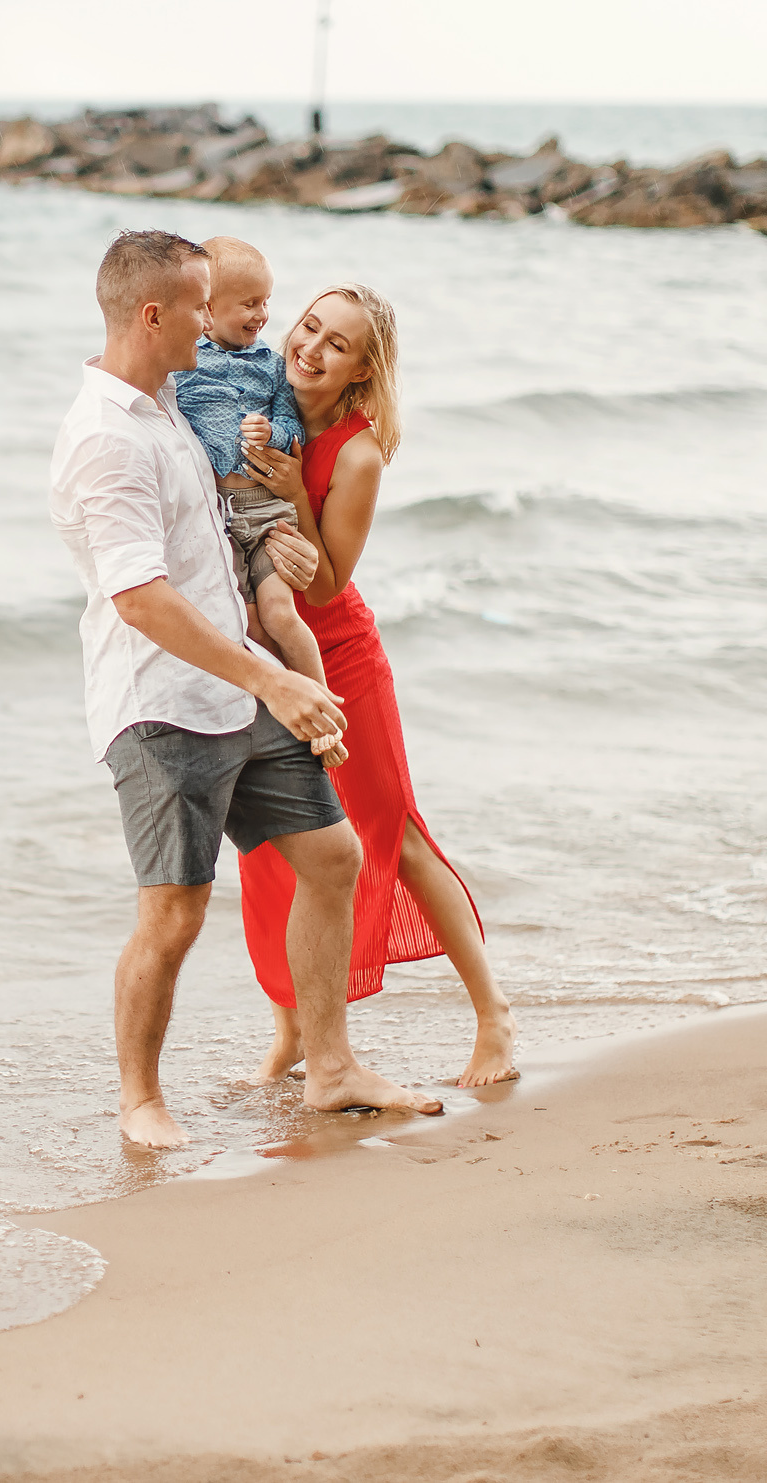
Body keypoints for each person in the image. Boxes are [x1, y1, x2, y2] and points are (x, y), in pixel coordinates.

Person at [49, 231, 443, 1148]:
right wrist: (278, 674)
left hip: (240, 685)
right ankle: (140, 1099)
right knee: (175, 910)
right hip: (163, 705)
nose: (224, 325)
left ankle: (330, 1066)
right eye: (201, 305)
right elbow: (142, 598)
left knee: (333, 858)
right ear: (157, 314)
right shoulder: (106, 437)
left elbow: (231, 519)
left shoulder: (171, 404)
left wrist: (288, 552)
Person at [234, 283, 519, 1091]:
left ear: (363, 371)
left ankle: (494, 1015)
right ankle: (292, 1029)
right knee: (271, 846)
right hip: (262, 657)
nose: (311, 349)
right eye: (309, 326)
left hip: (341, 657)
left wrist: (292, 488)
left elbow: (323, 587)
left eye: (337, 345)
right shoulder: (256, 391)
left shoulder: (356, 454)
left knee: (396, 834)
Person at [167, 237, 340, 767]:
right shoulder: (182, 367)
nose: (263, 315)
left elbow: (293, 426)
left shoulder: (268, 366)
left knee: (281, 615)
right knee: (240, 621)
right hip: (217, 517)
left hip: (265, 514)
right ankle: (259, 723)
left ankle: (325, 714)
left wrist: (274, 431)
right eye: (249, 304)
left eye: (267, 302)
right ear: (208, 308)